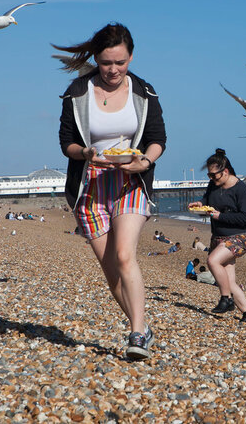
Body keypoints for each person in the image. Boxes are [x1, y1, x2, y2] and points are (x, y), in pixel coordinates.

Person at [57, 22, 166, 360]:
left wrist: (144, 162)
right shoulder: (77, 93)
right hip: (89, 185)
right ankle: (143, 325)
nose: (114, 70)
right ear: (96, 59)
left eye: (120, 62)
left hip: (130, 180)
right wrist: (87, 153)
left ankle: (135, 335)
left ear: (130, 57)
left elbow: (158, 138)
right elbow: (67, 143)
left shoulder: (143, 92)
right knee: (111, 272)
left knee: (124, 255)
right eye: (106, 63)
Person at [188, 149, 246, 324]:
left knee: (212, 261)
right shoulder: (213, 185)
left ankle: (226, 299)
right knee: (228, 281)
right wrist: (200, 204)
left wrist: (220, 216)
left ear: (225, 172)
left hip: (241, 237)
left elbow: (245, 218)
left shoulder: (241, 190)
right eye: (209, 175)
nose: (211, 179)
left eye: (214, 175)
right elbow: (207, 200)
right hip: (219, 237)